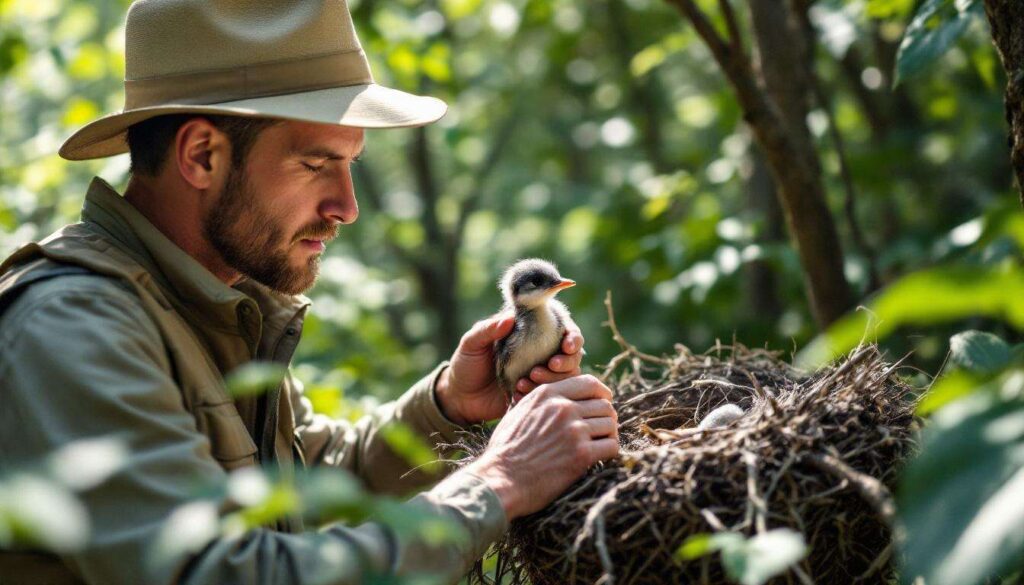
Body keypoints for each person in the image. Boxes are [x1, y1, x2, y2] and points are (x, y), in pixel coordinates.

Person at [0, 1, 620, 584]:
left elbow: (312, 480)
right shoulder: (78, 326)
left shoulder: (212, 307)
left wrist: (449, 405)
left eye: (351, 166)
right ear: (202, 155)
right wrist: (500, 481)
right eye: (316, 164)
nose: (347, 207)